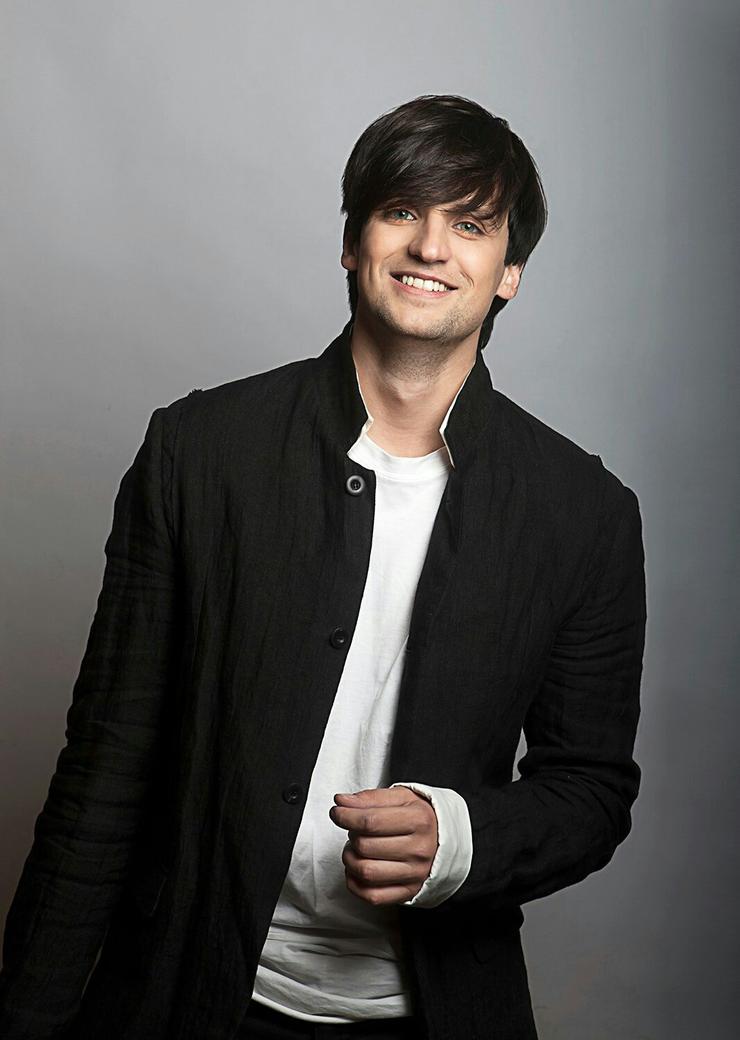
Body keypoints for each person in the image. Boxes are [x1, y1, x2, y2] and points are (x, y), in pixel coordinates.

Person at [0, 94, 646, 1040]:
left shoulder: (584, 514)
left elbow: (590, 789)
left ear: (510, 272)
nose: (431, 247)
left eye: (471, 225)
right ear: (352, 242)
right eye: (402, 211)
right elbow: (105, 770)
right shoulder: (199, 452)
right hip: (190, 997)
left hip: (433, 1011)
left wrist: (460, 840)